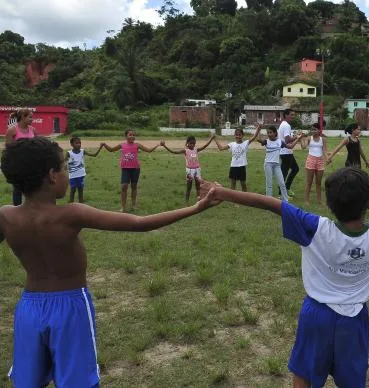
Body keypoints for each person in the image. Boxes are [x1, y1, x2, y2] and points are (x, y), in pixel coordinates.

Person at [198, 168, 369, 388]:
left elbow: (271, 204)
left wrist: (223, 192)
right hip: (354, 320)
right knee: (352, 379)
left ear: (328, 202)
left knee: (304, 374)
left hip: (316, 316)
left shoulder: (315, 228)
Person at [0, 137, 215, 388]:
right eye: (64, 168)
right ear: (51, 176)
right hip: (70, 308)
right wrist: (196, 208)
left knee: (27, 383)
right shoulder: (71, 214)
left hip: (28, 309)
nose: (68, 175)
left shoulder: (6, 216)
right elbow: (139, 223)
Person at [101, 129, 161, 212]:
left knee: (134, 186)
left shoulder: (137, 145)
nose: (132, 136)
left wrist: (158, 145)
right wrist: (104, 145)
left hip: (135, 169)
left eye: (133, 135)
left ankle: (133, 205)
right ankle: (123, 207)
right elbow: (111, 150)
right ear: (126, 136)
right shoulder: (122, 145)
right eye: (130, 134)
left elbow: (149, 150)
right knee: (124, 187)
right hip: (125, 169)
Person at [161, 134, 215, 202]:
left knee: (198, 186)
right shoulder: (185, 151)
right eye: (191, 143)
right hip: (189, 171)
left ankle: (199, 200)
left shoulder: (196, 149)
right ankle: (187, 202)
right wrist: (165, 146)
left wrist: (211, 138)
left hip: (197, 170)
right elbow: (174, 152)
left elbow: (205, 146)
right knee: (189, 187)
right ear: (187, 143)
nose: (192, 145)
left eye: (194, 143)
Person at [258, 125, 303, 202]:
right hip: (268, 164)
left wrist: (298, 138)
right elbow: (259, 139)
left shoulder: (279, 142)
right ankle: (268, 200)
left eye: (270, 132)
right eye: (268, 132)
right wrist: (258, 129)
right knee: (269, 184)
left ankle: (285, 200)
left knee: (282, 183)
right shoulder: (266, 141)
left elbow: (290, 146)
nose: (269, 134)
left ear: (275, 133)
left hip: (276, 165)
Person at [5, 108, 37, 206]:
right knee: (18, 188)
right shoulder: (12, 130)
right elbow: (8, 149)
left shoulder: (33, 130)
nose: (32, 120)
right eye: (30, 117)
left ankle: (31, 207)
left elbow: (37, 145)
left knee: (32, 187)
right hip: (18, 164)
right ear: (23, 117)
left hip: (32, 163)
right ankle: (17, 209)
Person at [214, 126, 261, 191]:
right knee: (233, 184)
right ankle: (233, 198)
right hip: (233, 166)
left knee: (243, 184)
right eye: (236, 135)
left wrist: (258, 128)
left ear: (242, 135)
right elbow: (221, 148)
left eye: (239, 135)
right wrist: (215, 139)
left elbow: (254, 137)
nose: (238, 136)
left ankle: (245, 198)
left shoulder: (245, 143)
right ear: (234, 135)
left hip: (242, 167)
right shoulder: (232, 144)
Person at [66, 136, 103, 203]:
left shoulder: (82, 151)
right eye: (76, 143)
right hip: (73, 176)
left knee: (80, 190)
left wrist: (100, 148)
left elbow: (94, 155)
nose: (79, 144)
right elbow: (63, 162)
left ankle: (81, 204)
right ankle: (71, 205)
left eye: (80, 143)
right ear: (71, 144)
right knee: (73, 190)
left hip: (81, 175)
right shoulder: (69, 153)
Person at [300, 123, 328, 205]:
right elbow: (303, 147)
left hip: (320, 161)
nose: (313, 131)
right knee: (309, 182)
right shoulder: (309, 138)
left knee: (318, 182)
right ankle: (306, 200)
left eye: (315, 129)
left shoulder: (323, 139)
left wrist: (328, 158)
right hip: (311, 160)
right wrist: (301, 139)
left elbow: (325, 150)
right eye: (312, 129)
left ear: (319, 130)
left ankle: (319, 200)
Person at [279, 109, 300, 197]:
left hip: (285, 152)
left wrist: (294, 136)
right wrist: (297, 137)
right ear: (286, 115)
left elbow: (286, 138)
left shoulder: (283, 124)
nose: (293, 117)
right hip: (286, 152)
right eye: (291, 115)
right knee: (286, 171)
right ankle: (282, 192)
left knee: (293, 169)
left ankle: (285, 188)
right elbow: (287, 140)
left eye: (294, 115)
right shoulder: (286, 125)